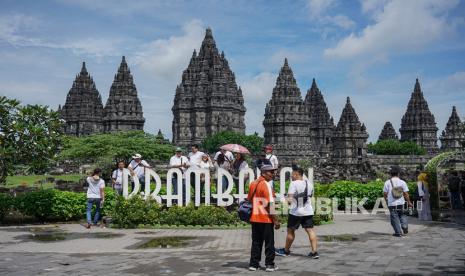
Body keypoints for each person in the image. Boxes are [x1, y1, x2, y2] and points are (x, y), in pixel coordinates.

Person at [275, 166, 319, 259]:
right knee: (310, 230)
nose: (291, 176)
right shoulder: (309, 183)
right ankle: (314, 252)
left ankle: (286, 251)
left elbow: (290, 200)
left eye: (292, 175)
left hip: (296, 212)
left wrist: (284, 198)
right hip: (308, 211)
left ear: (296, 174)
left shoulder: (294, 183)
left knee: (290, 231)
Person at [248, 165, 280, 272]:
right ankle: (269, 264)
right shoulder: (266, 184)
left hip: (254, 217)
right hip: (265, 218)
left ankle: (253, 264)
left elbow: (249, 199)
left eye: (273, 172)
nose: (273, 174)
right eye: (271, 172)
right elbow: (270, 204)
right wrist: (275, 220)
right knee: (269, 242)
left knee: (256, 242)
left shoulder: (253, 183)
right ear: (264, 173)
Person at [383, 166, 413, 237]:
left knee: (394, 218)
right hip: (401, 202)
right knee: (403, 215)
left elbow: (385, 193)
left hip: (392, 203)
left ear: (391, 174)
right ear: (398, 174)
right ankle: (405, 226)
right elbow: (406, 194)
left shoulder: (387, 182)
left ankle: (398, 232)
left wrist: (386, 200)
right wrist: (409, 202)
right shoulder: (402, 182)